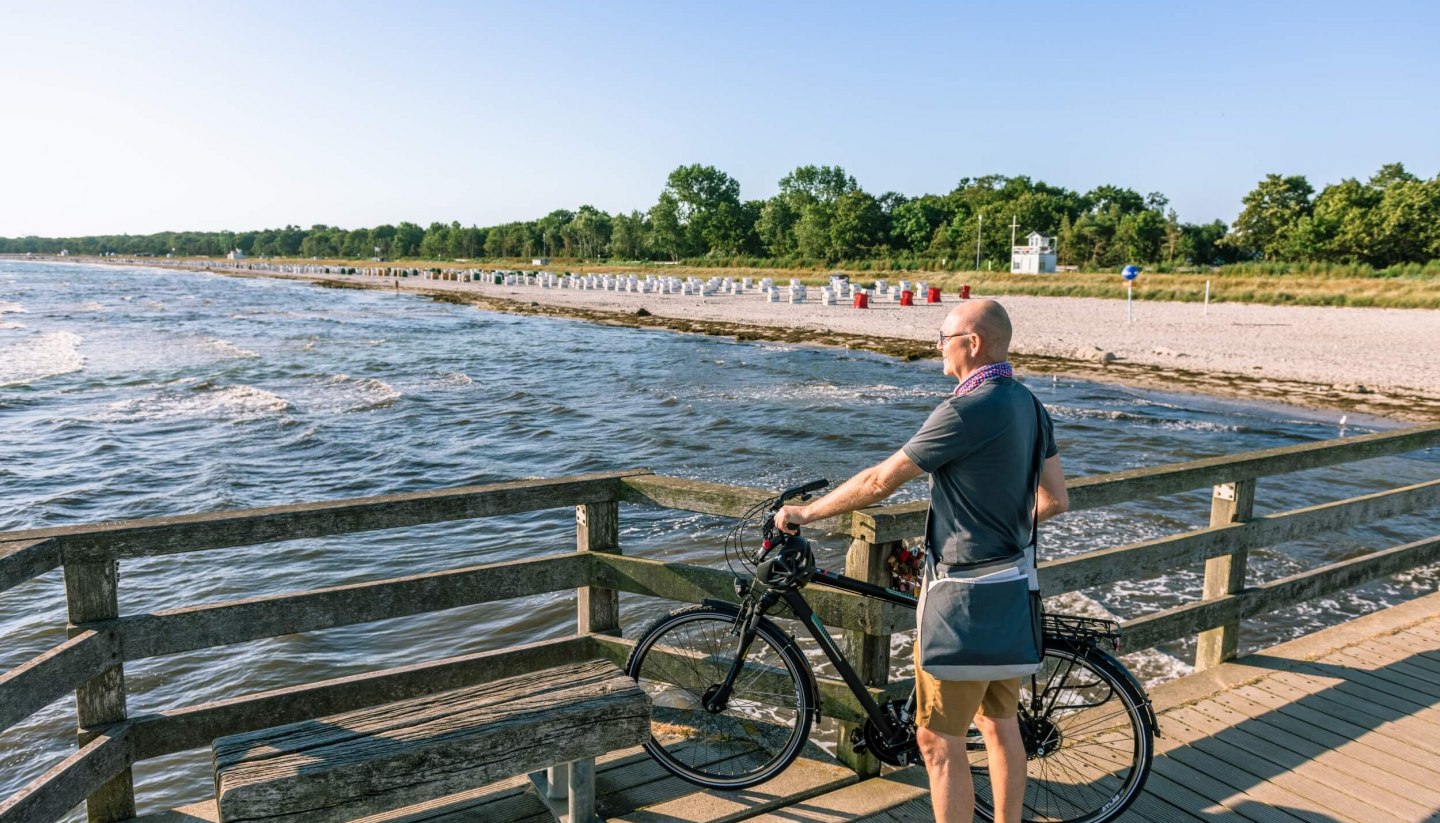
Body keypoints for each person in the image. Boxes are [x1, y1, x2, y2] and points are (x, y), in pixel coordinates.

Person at [775, 298, 1068, 823]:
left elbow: (879, 481)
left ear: (971, 343)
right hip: (1011, 589)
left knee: (937, 741)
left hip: (962, 601)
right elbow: (1054, 500)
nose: (938, 345)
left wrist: (805, 513)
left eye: (943, 335)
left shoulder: (964, 409)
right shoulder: (1027, 402)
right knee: (999, 727)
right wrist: (1002, 533)